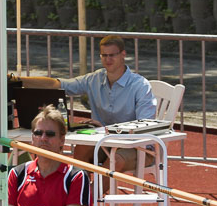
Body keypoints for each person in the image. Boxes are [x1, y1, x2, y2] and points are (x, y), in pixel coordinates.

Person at [19, 35, 156, 172]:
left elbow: (145, 126)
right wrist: (19, 80)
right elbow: (57, 84)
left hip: (139, 147)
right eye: (104, 55)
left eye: (112, 55)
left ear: (123, 55)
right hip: (105, 142)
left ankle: (90, 193)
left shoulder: (140, 85)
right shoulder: (94, 79)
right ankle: (81, 190)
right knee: (82, 148)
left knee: (116, 159)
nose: (108, 59)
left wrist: (106, 130)